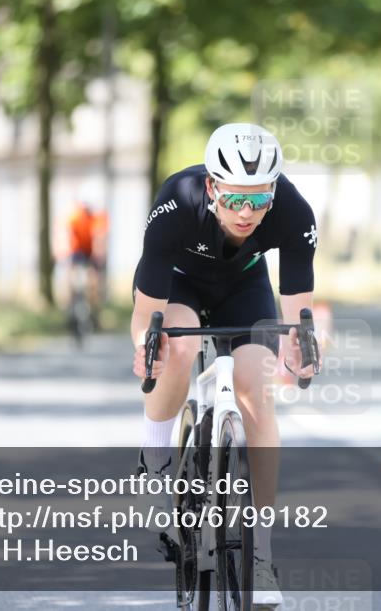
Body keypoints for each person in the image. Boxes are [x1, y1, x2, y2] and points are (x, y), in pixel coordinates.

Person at [131, 123, 318, 607]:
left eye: (258, 200)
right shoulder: (177, 200)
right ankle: (155, 460)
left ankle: (261, 555)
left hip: (244, 287)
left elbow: (299, 313)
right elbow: (145, 312)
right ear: (213, 186)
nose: (246, 212)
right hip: (180, 286)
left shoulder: (294, 211)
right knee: (177, 349)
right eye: (235, 199)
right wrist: (144, 348)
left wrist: (301, 349)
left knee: (258, 390)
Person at [64, 197, 108, 322]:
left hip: (90, 252)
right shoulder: (74, 217)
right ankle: (69, 308)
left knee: (94, 280)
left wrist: (98, 255)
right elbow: (65, 235)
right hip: (76, 250)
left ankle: (94, 312)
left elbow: (99, 237)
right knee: (71, 277)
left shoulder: (97, 217)